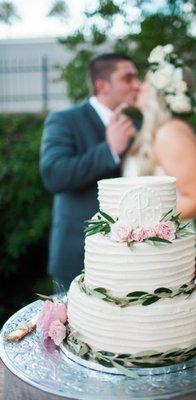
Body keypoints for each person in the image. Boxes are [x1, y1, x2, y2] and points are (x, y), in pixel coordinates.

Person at [40, 53, 140, 290]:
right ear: (102, 85)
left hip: (130, 260)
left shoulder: (135, 127)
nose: (136, 84)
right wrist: (109, 150)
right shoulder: (64, 120)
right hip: (77, 256)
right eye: (128, 78)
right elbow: (53, 174)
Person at [123, 44, 196, 224]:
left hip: (167, 247)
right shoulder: (154, 131)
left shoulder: (170, 133)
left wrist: (141, 225)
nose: (139, 87)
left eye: (146, 83)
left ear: (161, 93)